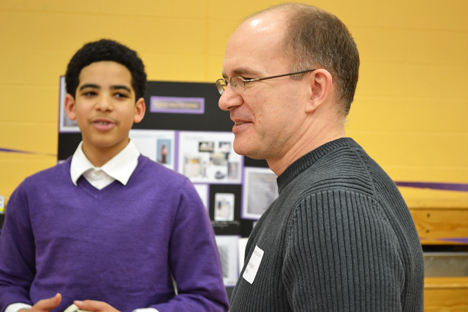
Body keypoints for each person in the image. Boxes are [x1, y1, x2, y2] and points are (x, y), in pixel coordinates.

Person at [216, 3, 424, 311]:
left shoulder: (333, 203)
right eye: (227, 82)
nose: (226, 100)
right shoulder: (308, 191)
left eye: (245, 79)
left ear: (315, 89)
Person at [0, 39, 229, 312]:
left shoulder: (176, 193)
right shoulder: (32, 192)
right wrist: (19, 310)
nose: (104, 105)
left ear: (139, 109)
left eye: (119, 95)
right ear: (70, 106)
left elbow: (207, 300)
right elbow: (7, 282)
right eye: (90, 93)